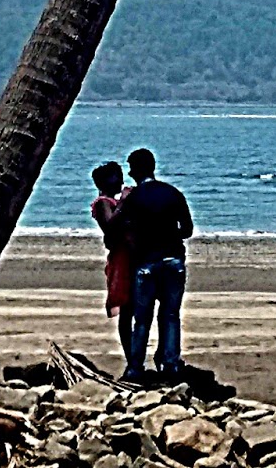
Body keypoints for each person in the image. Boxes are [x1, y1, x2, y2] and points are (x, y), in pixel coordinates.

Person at [116, 147, 194, 382]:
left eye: (131, 169)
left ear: (137, 170)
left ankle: (135, 368)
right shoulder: (172, 193)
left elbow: (123, 229)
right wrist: (169, 235)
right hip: (173, 259)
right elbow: (187, 229)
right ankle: (170, 365)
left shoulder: (134, 198)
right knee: (170, 315)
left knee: (142, 319)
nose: (130, 173)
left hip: (146, 262)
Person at [90, 161, 134, 363]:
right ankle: (131, 357)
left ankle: (134, 355)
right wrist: (124, 202)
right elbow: (110, 227)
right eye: (116, 178)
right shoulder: (103, 203)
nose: (121, 181)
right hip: (121, 259)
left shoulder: (111, 202)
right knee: (126, 309)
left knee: (132, 307)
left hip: (128, 255)